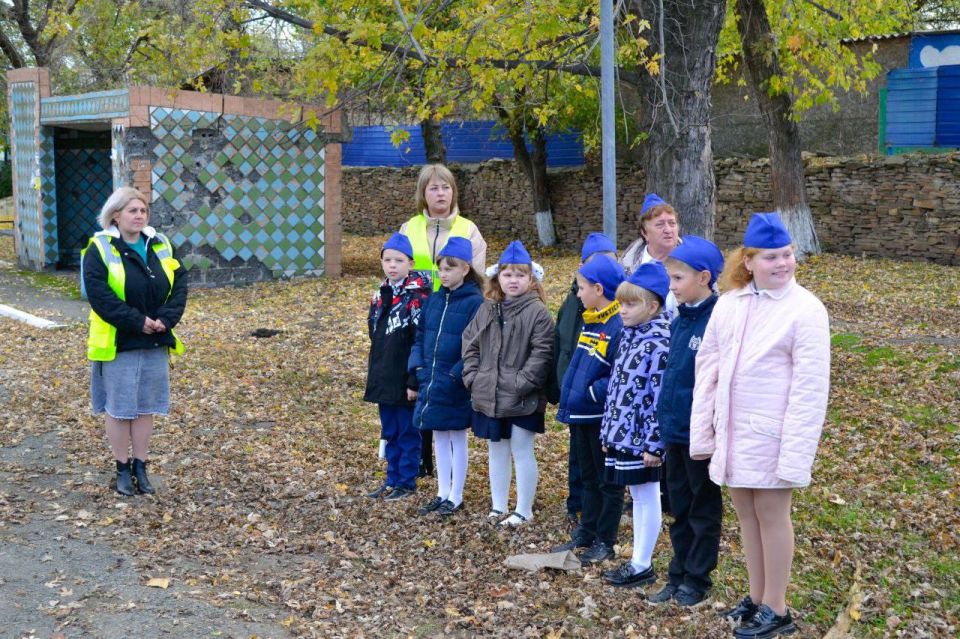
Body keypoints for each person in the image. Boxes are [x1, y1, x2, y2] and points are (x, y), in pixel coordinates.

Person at [690, 213, 830, 638]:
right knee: (746, 514)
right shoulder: (730, 304)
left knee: (772, 514)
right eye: (771, 257)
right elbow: (708, 366)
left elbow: (810, 389)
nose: (783, 263)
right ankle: (755, 598)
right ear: (748, 261)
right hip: (734, 432)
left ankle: (777, 607)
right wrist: (705, 431)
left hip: (775, 434)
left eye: (787, 254)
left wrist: (795, 452)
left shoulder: (805, 310)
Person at [82, 187, 187, 496]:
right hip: (119, 342)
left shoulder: (161, 245)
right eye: (133, 211)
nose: (140, 215)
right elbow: (100, 297)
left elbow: (180, 285)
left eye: (143, 211)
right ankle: (122, 468)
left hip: (155, 339)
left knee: (145, 408)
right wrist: (137, 321)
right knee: (119, 409)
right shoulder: (99, 249)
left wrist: (165, 319)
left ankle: (141, 466)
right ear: (116, 215)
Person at [648, 236, 725, 607]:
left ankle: (698, 577)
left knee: (701, 507)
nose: (672, 287)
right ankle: (677, 572)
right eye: (670, 279)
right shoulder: (680, 320)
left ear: (704, 278)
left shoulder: (718, 320)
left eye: (678, 279)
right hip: (675, 431)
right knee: (678, 507)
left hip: (701, 437)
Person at [399, 163, 487, 479]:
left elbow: (476, 278)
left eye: (446, 187)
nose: (441, 193)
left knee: (445, 388)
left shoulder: (468, 229)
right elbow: (396, 268)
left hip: (454, 319)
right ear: (423, 194)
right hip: (416, 319)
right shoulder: (409, 228)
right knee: (416, 384)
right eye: (434, 188)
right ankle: (419, 459)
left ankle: (447, 471)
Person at [462, 241, 555, 528]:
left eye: (520, 275)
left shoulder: (538, 312)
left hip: (522, 395)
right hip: (489, 391)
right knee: (496, 448)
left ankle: (524, 508)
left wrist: (521, 383)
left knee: (521, 449)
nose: (513, 280)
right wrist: (473, 377)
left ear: (530, 279)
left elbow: (543, 353)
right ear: (497, 278)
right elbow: (470, 343)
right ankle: (498, 504)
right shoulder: (488, 309)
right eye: (507, 274)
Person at [600, 263, 672, 588]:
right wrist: (608, 432)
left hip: (642, 440)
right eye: (622, 303)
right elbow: (618, 389)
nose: (623, 310)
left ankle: (642, 562)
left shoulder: (658, 344)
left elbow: (658, 398)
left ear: (653, 307)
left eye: (631, 304)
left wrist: (655, 444)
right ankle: (637, 560)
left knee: (647, 495)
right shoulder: (630, 336)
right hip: (624, 435)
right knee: (639, 495)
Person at [552, 254, 625, 565]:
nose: (577, 293)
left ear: (599, 289)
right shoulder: (592, 320)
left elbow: (618, 374)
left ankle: (605, 539)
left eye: (581, 288)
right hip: (581, 414)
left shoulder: (616, 324)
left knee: (606, 480)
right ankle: (587, 529)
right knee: (588, 477)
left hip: (598, 416)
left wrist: (592, 393)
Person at [408, 237, 484, 518]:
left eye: (450, 268)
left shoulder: (475, 302)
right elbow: (421, 335)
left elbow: (476, 345)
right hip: (431, 377)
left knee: (456, 436)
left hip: (455, 381)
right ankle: (442, 491)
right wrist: (418, 369)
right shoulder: (435, 299)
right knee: (438, 434)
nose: (444, 273)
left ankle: (457, 494)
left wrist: (455, 375)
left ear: (465, 269)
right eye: (441, 267)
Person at [363, 233, 432, 501]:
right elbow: (374, 331)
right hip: (384, 372)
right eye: (387, 259)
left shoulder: (419, 296)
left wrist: (414, 379)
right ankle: (392, 478)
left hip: (406, 375)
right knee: (389, 430)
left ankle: (406, 481)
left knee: (407, 430)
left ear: (410, 263)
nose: (393, 265)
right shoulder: (380, 294)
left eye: (399, 260)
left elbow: (420, 338)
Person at [620, 193, 681, 317]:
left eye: (672, 223)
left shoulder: (693, 263)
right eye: (660, 224)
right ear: (644, 232)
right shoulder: (626, 266)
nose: (668, 230)